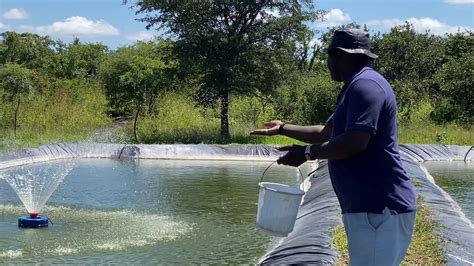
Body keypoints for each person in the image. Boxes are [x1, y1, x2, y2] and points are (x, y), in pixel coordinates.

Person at [251, 28, 417, 266]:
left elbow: (356, 142)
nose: (327, 64)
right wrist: (283, 128)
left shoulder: (365, 87)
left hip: (379, 208)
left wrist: (306, 153)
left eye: (328, 57)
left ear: (339, 55)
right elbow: (326, 133)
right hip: (368, 207)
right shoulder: (355, 86)